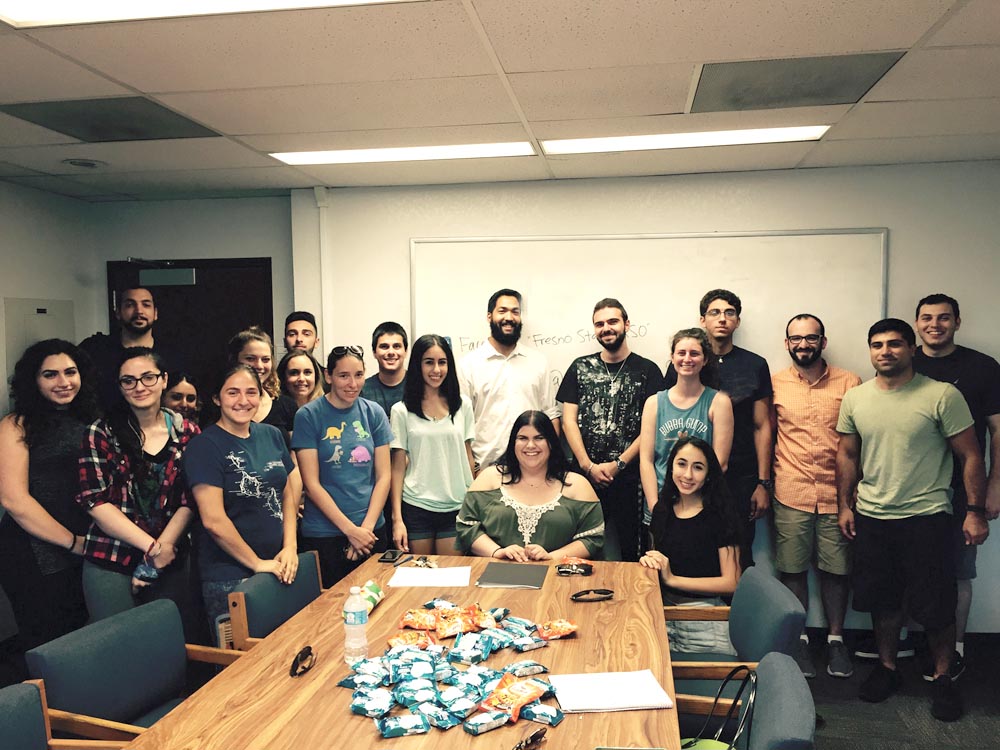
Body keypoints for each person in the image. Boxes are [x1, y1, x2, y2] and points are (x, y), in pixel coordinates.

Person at [836, 318, 989, 722]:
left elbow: (971, 455)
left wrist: (975, 512)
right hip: (873, 515)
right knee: (882, 600)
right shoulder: (856, 398)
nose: (885, 351)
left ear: (911, 350)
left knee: (936, 605)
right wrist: (845, 505)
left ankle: (943, 678)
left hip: (927, 516)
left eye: (895, 344)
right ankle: (887, 669)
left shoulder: (941, 395)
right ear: (870, 351)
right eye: (877, 345)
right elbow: (847, 455)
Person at [76, 348, 200, 637]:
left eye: (148, 377)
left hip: (171, 554)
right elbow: (95, 501)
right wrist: (152, 549)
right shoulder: (100, 431)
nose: (139, 387)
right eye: (128, 381)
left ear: (164, 379)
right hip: (111, 556)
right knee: (118, 646)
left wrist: (164, 548)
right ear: (119, 387)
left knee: (168, 644)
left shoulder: (188, 432)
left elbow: (191, 498)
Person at [912, 293, 1000, 681]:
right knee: (911, 569)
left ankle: (958, 647)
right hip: (910, 490)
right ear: (916, 323)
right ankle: (919, 644)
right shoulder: (902, 360)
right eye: (927, 318)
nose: (935, 324)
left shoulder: (982, 367)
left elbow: (998, 431)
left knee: (958, 571)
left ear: (957, 322)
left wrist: (994, 486)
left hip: (965, 490)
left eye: (944, 318)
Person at [771, 314, 861, 679]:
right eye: (796, 338)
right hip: (790, 489)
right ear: (787, 342)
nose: (803, 345)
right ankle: (802, 641)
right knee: (791, 569)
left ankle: (836, 640)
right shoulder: (775, 383)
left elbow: (857, 441)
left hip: (836, 492)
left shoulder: (850, 382)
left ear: (823, 342)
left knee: (836, 571)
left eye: (811, 338)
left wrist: (852, 496)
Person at [0, 340, 99, 671]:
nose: (64, 382)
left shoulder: (90, 419)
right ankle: (45, 718)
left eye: (70, 372)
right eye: (50, 375)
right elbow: (14, 499)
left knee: (82, 635)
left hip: (85, 546)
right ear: (34, 381)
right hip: (32, 550)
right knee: (46, 643)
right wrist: (72, 542)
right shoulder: (16, 424)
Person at [183, 365, 300, 629]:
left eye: (251, 392)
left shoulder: (271, 435)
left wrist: (290, 546)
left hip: (279, 564)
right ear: (216, 398)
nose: (243, 401)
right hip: (229, 574)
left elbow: (287, 494)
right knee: (242, 662)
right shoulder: (204, 446)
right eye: (233, 393)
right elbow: (213, 520)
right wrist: (257, 563)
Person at [665, 290, 772, 569]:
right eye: (714, 312)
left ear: (737, 321)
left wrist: (762, 483)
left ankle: (737, 613)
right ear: (703, 320)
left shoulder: (755, 365)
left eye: (729, 313)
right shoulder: (688, 363)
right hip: (689, 478)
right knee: (693, 551)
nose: (722, 319)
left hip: (739, 477)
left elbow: (762, 426)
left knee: (738, 554)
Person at [558, 298, 664, 562]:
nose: (606, 328)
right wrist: (588, 465)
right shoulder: (579, 367)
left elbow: (651, 427)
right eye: (599, 324)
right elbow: (568, 420)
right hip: (583, 477)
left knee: (634, 552)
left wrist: (618, 464)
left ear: (626, 324)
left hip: (632, 478)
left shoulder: (648, 370)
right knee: (576, 550)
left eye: (612, 321)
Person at [292, 345, 392, 586]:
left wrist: (364, 532)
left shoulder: (374, 413)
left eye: (358, 375)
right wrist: (350, 531)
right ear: (328, 376)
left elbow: (384, 476)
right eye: (343, 376)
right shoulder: (308, 415)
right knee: (330, 614)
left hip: (371, 530)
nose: (352, 384)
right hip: (326, 534)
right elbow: (312, 484)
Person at [456, 411, 604, 560]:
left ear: (551, 443)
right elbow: (466, 525)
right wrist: (497, 552)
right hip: (494, 574)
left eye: (539, 438)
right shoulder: (489, 478)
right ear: (513, 442)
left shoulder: (577, 485)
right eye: (522, 438)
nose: (531, 445)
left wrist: (552, 557)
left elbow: (593, 537)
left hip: (559, 576)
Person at [640, 436, 741, 654]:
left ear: (708, 475)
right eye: (682, 464)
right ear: (671, 467)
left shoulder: (720, 514)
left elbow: (731, 582)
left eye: (698, 467)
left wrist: (673, 579)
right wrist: (650, 562)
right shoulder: (662, 510)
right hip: (664, 613)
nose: (687, 475)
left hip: (705, 620)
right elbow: (659, 560)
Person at [389, 335, 475, 556]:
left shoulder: (462, 405)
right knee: (420, 581)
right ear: (418, 365)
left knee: (450, 579)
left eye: (442, 362)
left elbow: (467, 455)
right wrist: (397, 519)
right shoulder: (401, 410)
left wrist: (474, 502)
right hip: (416, 506)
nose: (436, 369)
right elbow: (397, 466)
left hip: (455, 506)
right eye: (429, 362)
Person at [459, 289, 561, 471]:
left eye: (515, 312)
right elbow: (461, 423)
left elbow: (550, 415)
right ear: (489, 316)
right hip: (484, 470)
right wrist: (471, 469)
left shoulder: (538, 362)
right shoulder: (469, 364)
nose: (509, 317)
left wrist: (550, 463)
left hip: (532, 469)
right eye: (502, 311)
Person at [642, 327, 734, 515]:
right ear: (672, 357)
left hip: (702, 506)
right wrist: (655, 506)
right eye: (681, 353)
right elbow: (646, 460)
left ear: (705, 359)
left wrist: (694, 508)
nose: (687, 359)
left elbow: (720, 464)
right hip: (661, 502)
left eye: (694, 353)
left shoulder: (719, 403)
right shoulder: (654, 403)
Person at [79, 287, 186, 412]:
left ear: (155, 313)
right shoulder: (95, 349)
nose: (139, 311)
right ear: (118, 312)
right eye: (130, 305)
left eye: (146, 305)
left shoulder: (173, 355)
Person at [228, 327, 298, 441]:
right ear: (234, 360)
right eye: (250, 359)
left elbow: (294, 455)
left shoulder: (287, 405)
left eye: (265, 359)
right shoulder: (221, 406)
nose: (259, 366)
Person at [360, 322, 408, 418]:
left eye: (397, 346)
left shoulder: (420, 386)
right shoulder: (362, 390)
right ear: (374, 352)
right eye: (384, 347)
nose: (391, 352)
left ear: (406, 351)